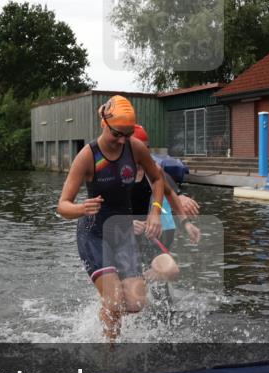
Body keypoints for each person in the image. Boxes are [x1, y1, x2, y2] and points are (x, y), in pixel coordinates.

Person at [57, 96, 166, 340]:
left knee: (136, 303)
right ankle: (109, 352)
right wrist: (81, 208)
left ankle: (106, 310)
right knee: (115, 301)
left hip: (122, 232)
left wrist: (155, 211)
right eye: (117, 133)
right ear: (104, 124)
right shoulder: (87, 156)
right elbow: (62, 206)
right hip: (94, 233)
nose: (122, 140)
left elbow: (157, 178)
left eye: (127, 134)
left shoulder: (135, 147)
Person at [128, 124, 201, 282]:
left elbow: (170, 193)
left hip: (147, 234)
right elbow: (101, 210)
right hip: (120, 235)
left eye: (147, 148)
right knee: (130, 296)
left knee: (170, 271)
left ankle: (148, 283)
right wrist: (128, 223)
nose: (144, 152)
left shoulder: (153, 169)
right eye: (140, 148)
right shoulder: (114, 172)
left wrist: (186, 223)